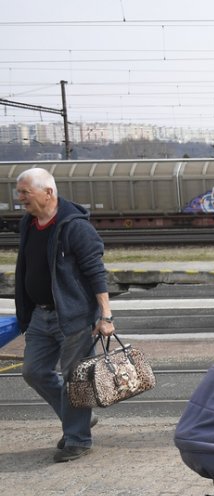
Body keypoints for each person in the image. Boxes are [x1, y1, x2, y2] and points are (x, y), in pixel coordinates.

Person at [14, 168, 114, 463]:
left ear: (48, 192)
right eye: (19, 193)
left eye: (25, 192)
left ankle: (78, 438)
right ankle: (80, 421)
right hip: (40, 314)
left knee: (75, 378)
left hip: (74, 316)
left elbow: (96, 272)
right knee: (33, 371)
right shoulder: (29, 223)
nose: (20, 199)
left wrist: (106, 316)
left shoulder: (75, 226)